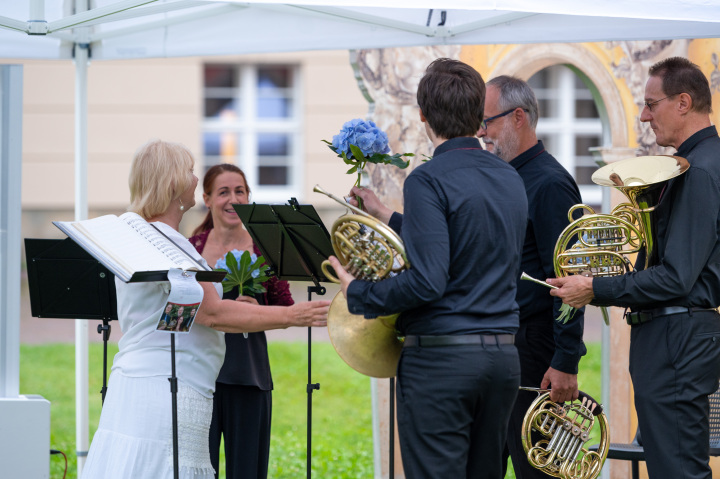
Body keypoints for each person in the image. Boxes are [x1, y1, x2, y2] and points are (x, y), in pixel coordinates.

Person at [81, 139, 329, 479]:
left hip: (144, 383)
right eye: (189, 171)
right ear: (172, 183)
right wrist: (294, 315)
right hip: (167, 387)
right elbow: (212, 314)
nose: (195, 179)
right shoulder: (165, 244)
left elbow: (175, 319)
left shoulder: (142, 236)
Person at [328, 58, 528, 478]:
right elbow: (468, 244)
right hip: (503, 361)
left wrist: (358, 292)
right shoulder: (510, 177)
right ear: (479, 115)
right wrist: (387, 215)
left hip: (443, 364)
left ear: (422, 116)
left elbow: (428, 280)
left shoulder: (427, 179)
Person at [548, 57, 720, 479]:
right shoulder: (693, 164)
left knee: (677, 471)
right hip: (674, 337)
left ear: (683, 102)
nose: (643, 116)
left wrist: (596, 287)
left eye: (650, 104)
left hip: (676, 339)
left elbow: (677, 277)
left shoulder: (699, 171)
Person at [477, 75, 586, 478]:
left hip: (536, 350)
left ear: (517, 117)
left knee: (537, 471)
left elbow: (571, 280)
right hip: (505, 345)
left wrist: (565, 361)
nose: (481, 131)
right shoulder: (506, 176)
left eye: (487, 121)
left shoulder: (551, 183)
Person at [189, 163, 294, 479]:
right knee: (198, 468)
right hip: (200, 377)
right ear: (207, 199)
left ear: (249, 196)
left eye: (239, 191)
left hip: (249, 375)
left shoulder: (265, 248)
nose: (232, 199)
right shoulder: (191, 248)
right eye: (223, 192)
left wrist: (256, 314)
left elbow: (286, 310)